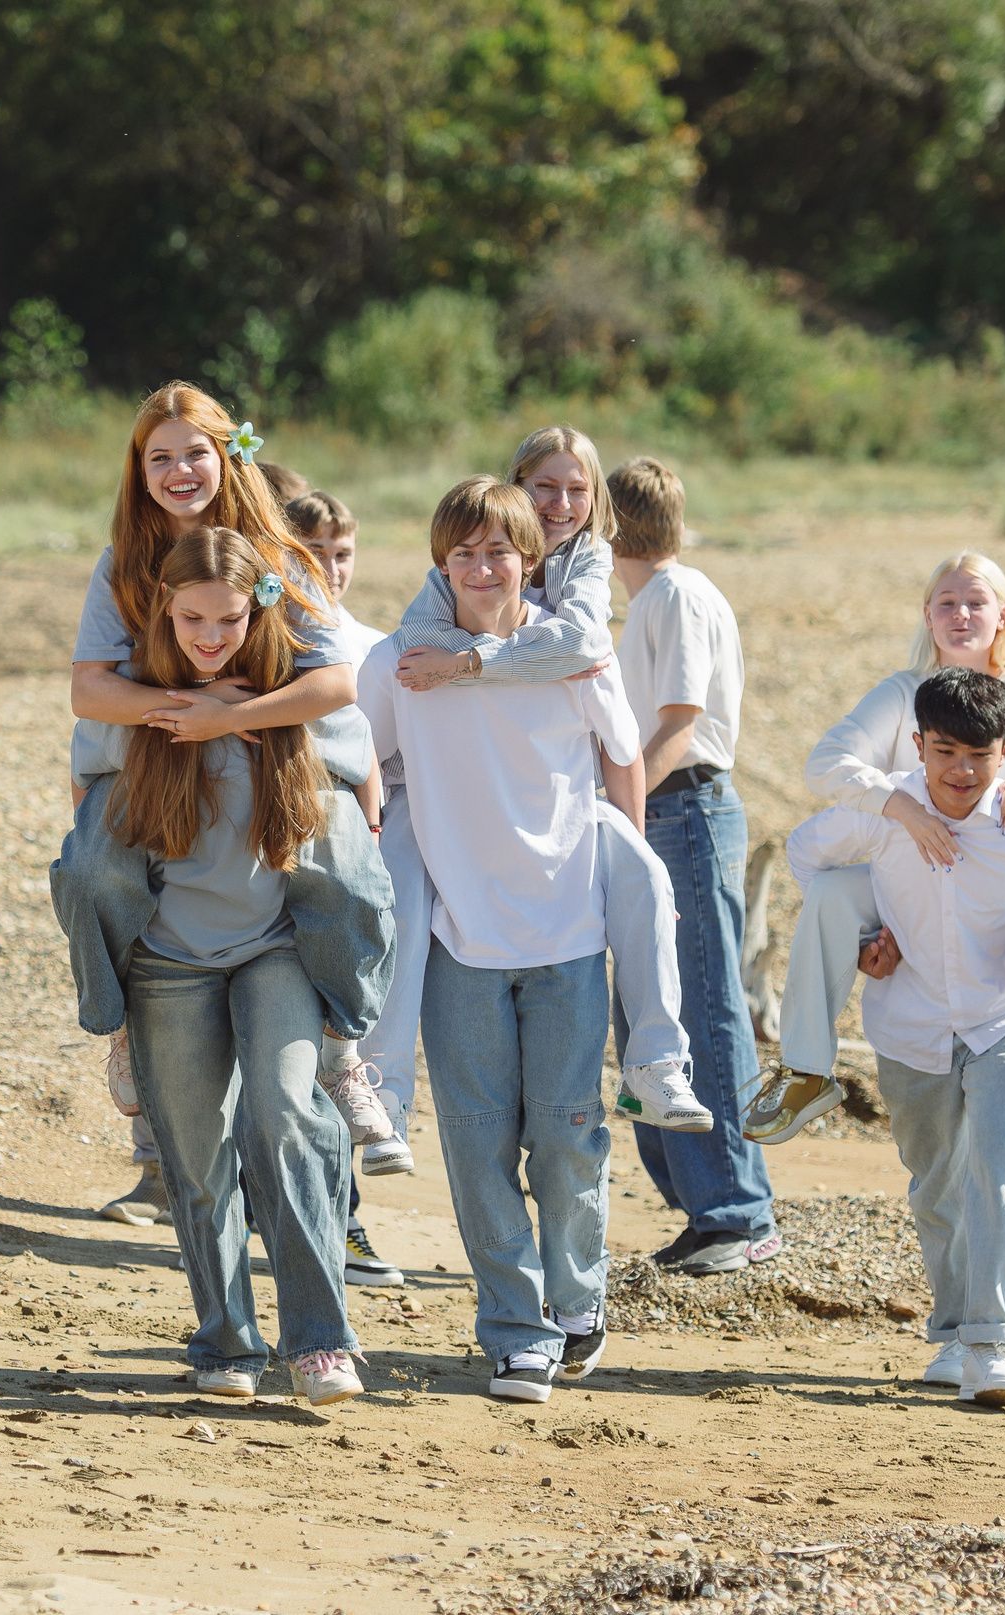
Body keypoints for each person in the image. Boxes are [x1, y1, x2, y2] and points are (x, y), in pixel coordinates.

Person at [60, 386, 396, 1225]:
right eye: (159, 456)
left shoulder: (280, 554)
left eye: (195, 453)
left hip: (275, 752)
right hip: (158, 756)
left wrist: (231, 715)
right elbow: (89, 688)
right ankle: (121, 1027)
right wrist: (181, 714)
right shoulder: (124, 563)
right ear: (139, 470)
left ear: (228, 456)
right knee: (93, 868)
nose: (179, 471)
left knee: (350, 876)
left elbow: (336, 677)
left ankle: (338, 1048)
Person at [385, 427, 716, 1269]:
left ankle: (657, 1063)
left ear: (596, 501)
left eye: (576, 489)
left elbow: (584, 653)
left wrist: (469, 664)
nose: (559, 504)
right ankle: (380, 1089)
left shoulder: (593, 564)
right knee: (400, 895)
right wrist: (460, 659)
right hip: (470, 861)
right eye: (543, 486)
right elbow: (412, 653)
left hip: (565, 847)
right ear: (513, 488)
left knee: (643, 879)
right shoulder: (450, 576)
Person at [66, 526, 375, 1405]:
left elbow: (358, 776)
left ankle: (320, 1339)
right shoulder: (136, 707)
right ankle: (226, 1339)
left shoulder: (286, 703)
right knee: (197, 1159)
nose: (210, 636)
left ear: (259, 609)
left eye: (230, 618)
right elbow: (91, 841)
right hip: (170, 960)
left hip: (274, 949)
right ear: (165, 608)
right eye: (193, 617)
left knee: (284, 1119)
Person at [359, 476, 643, 1404]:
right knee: (479, 1147)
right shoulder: (403, 664)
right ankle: (515, 1330)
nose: (483, 569)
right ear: (440, 564)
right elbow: (363, 764)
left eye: (501, 552)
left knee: (568, 1139)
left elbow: (623, 757)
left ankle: (577, 1301)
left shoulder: (575, 657)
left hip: (568, 933)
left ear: (533, 559)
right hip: (459, 941)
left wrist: (627, 868)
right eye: (464, 554)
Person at [784, 668, 1005, 1407]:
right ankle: (950, 1334)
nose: (961, 771)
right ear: (917, 745)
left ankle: (995, 1345)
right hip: (909, 1027)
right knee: (937, 1181)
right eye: (944, 751)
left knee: (1000, 1169)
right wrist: (864, 938)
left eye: (978, 754)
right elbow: (806, 857)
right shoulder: (887, 810)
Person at [747, 553, 1005, 1187]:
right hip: (913, 877)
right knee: (835, 890)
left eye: (976, 602)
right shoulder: (900, 694)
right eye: (946, 602)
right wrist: (898, 807)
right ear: (927, 614)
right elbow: (825, 766)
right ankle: (806, 1069)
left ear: (1004, 615)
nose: (961, 614)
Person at [603, 458, 777, 1276]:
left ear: (609, 527)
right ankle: (706, 1209)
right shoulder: (654, 602)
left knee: (702, 1009)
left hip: (685, 810)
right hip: (666, 810)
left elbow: (679, 722)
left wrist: (623, 810)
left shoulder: (673, 596)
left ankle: (737, 1212)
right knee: (650, 1009)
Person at [278, 489, 409, 1290]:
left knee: (332, 1028)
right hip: (275, 847)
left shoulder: (370, 645)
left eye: (343, 553)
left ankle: (344, 1220)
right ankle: (311, 1215)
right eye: (313, 552)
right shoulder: (261, 627)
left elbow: (378, 752)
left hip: (347, 852)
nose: (330, 568)